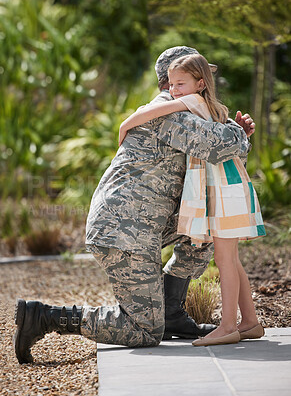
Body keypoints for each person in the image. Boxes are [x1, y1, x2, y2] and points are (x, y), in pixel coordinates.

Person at [14, 46, 256, 364]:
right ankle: (46, 316)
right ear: (172, 82)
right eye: (181, 81)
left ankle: (171, 311)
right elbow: (224, 143)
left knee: (205, 228)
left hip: (143, 223)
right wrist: (238, 131)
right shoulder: (171, 114)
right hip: (124, 228)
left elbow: (219, 156)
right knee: (143, 331)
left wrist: (232, 134)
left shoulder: (185, 113)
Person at [119, 53, 266, 346]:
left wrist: (124, 125)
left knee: (225, 260)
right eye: (171, 84)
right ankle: (249, 321)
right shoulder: (212, 108)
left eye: (180, 83)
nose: (173, 90)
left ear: (200, 84)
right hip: (227, 188)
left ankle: (227, 327)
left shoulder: (193, 103)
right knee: (232, 259)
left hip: (223, 191)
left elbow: (147, 113)